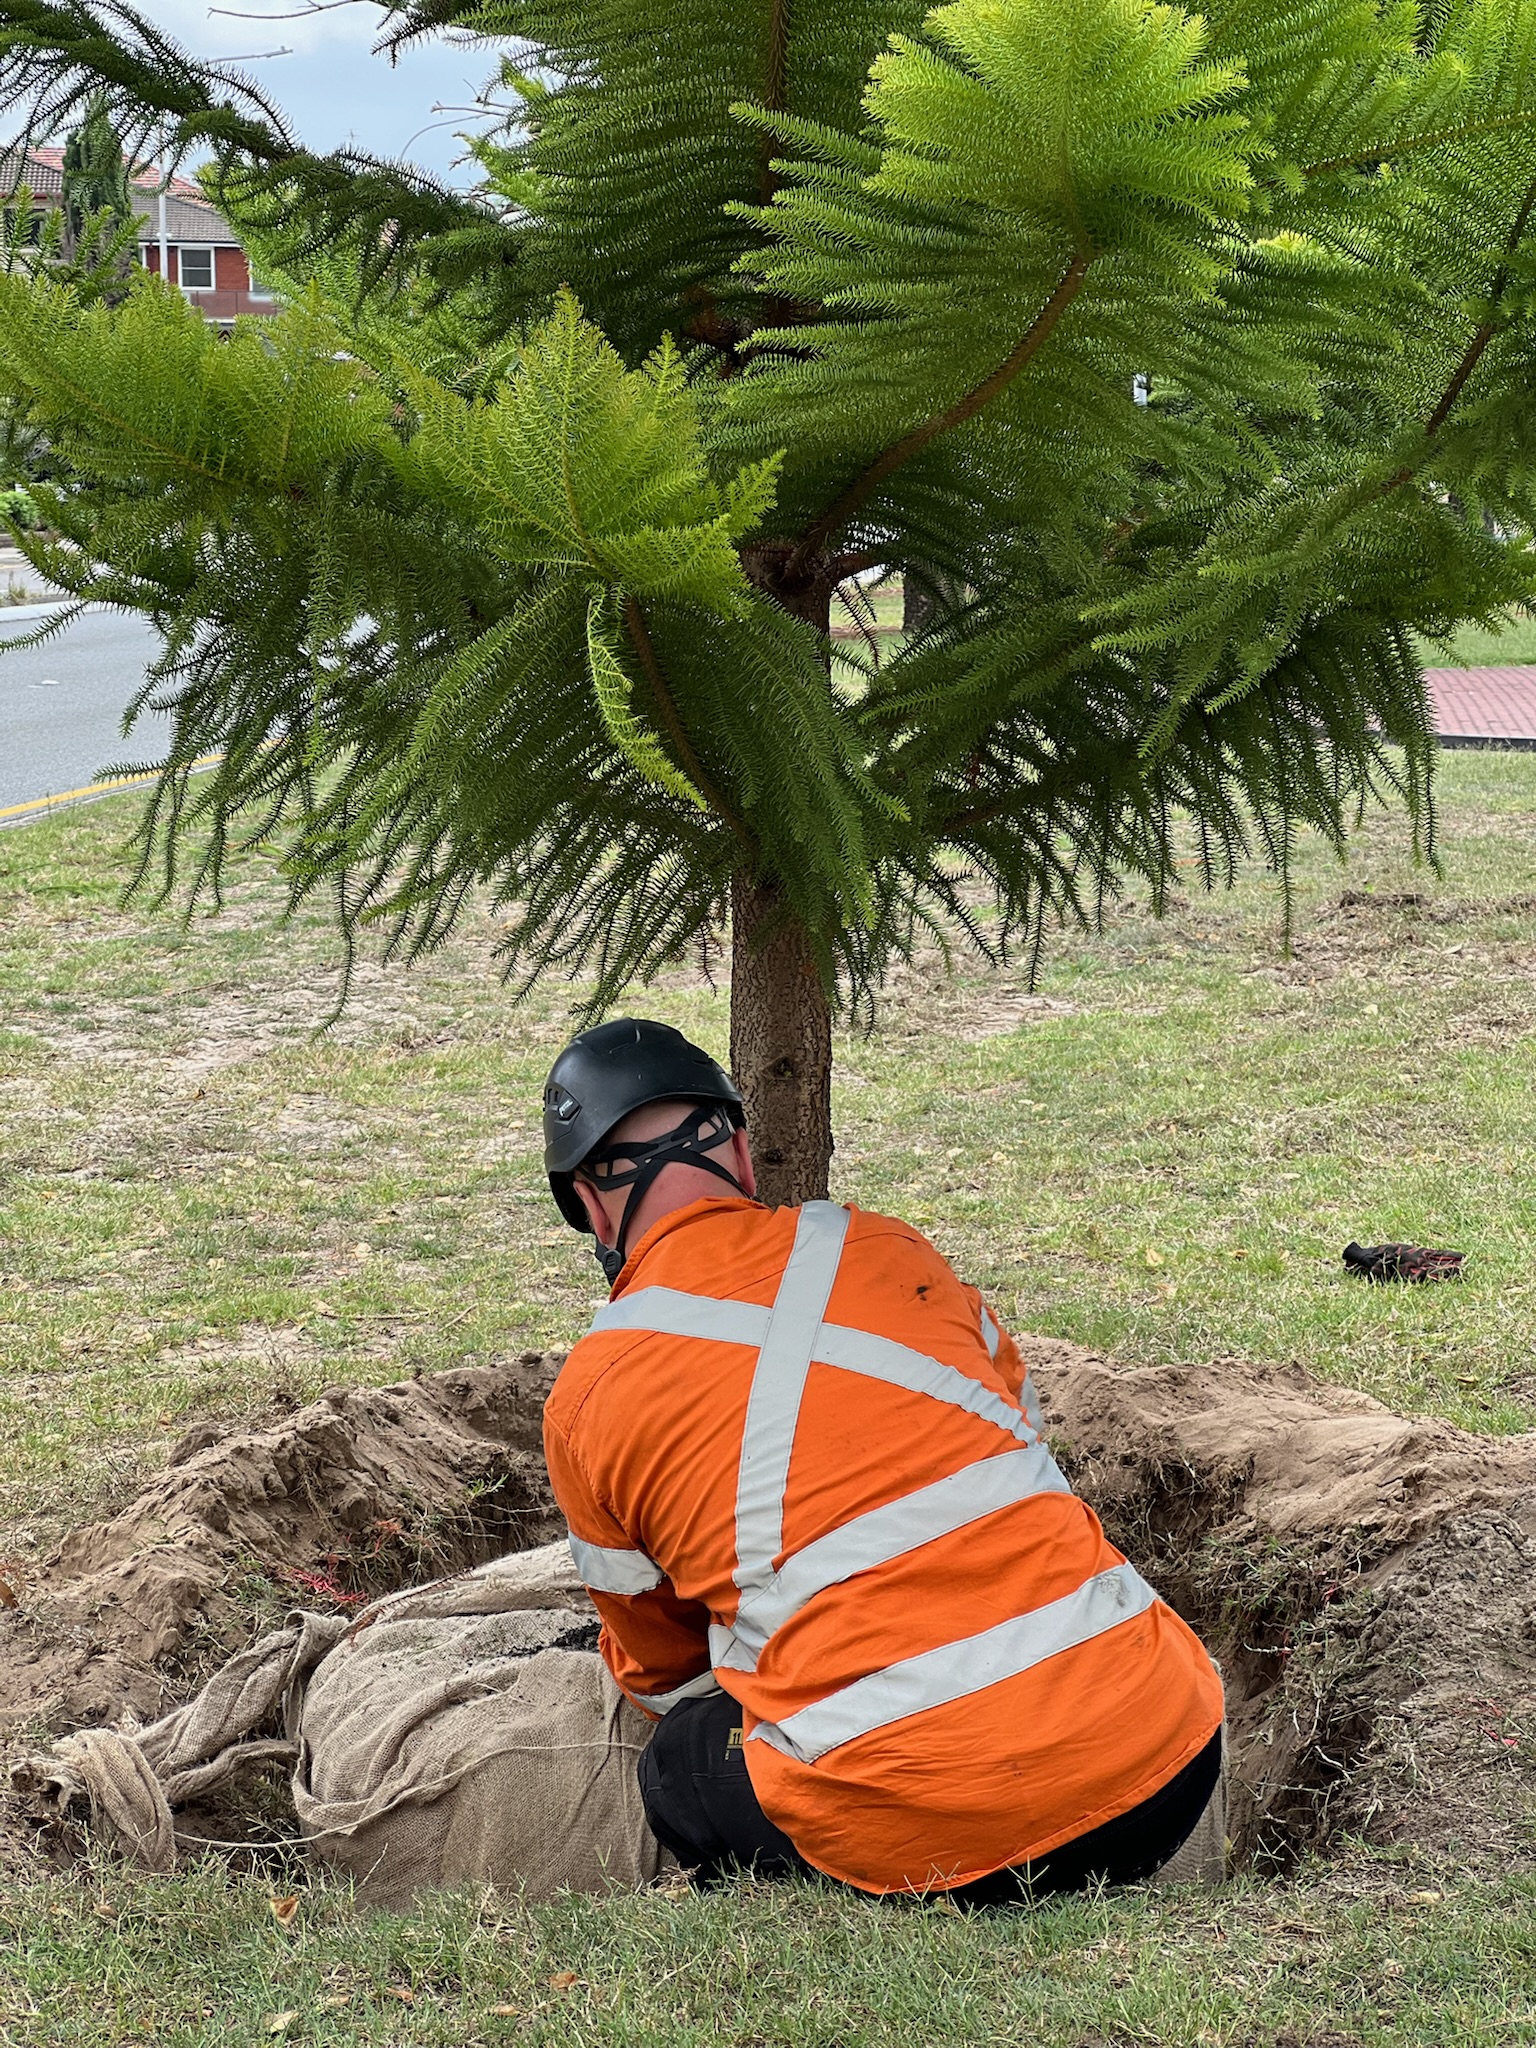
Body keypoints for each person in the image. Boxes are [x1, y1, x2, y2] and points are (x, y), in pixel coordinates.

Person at [541, 1017, 1224, 1902]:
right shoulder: (893, 1247)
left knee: (680, 1763)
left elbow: (662, 1671)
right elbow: (1018, 1427)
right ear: (742, 1154)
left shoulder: (588, 1399)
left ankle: (797, 1903)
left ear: (592, 1209)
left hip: (925, 1840)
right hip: (1165, 1764)